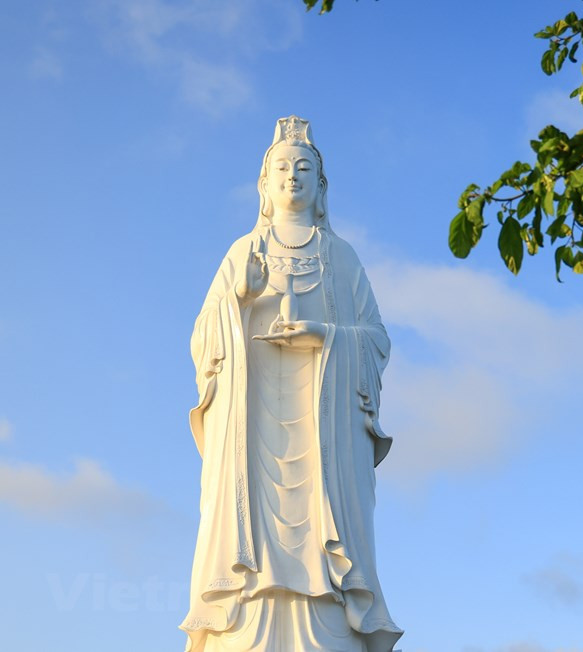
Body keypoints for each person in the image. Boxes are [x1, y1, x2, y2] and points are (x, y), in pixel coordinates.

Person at [180, 116, 403, 652]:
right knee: (245, 532)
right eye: (281, 167)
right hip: (253, 426)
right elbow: (203, 338)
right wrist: (240, 294)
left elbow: (375, 339)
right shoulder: (241, 251)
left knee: (328, 535)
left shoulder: (341, 256)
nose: (292, 175)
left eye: (305, 167)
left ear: (321, 185)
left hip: (322, 431)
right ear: (263, 184)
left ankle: (330, 620)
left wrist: (325, 335)